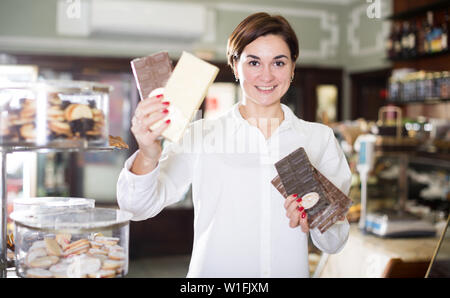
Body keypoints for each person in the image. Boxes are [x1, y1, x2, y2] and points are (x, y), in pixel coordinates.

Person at [117, 12, 351, 278]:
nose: (266, 75)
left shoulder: (318, 139)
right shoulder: (201, 134)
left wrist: (317, 216)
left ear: (292, 68)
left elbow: (336, 242)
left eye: (278, 62)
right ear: (235, 66)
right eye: (253, 62)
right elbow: (135, 207)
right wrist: (148, 154)